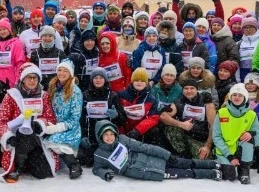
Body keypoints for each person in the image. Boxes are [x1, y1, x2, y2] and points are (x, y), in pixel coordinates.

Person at [92, 120, 220, 182]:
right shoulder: (99, 154)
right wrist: (105, 174)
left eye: (111, 134)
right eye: (105, 135)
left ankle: (213, 164)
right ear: (100, 136)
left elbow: (145, 147)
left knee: (185, 163)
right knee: (186, 173)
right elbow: (97, 168)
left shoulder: (123, 140)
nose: (109, 137)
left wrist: (166, 155)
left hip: (156, 160)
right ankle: (212, 174)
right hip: (146, 172)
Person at [0, 64, 59, 182]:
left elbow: (50, 118)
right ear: (23, 79)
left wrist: (40, 124)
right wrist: (7, 136)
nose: (32, 80)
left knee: (43, 173)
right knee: (25, 134)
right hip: (18, 139)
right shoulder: (11, 96)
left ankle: (27, 161)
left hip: (37, 139)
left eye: (35, 77)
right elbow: (1, 120)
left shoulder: (44, 96)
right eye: (28, 77)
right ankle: (19, 167)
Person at [42, 61, 84, 179]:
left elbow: (75, 118)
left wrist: (57, 128)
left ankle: (74, 165)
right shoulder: (53, 86)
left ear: (70, 74)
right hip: (53, 124)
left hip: (70, 128)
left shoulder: (75, 91)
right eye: (60, 70)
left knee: (53, 141)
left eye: (66, 71)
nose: (62, 73)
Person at [212, 83, 259, 184]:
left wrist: (251, 134)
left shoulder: (252, 115)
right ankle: (224, 164)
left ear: (245, 98)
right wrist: (229, 156)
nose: (237, 97)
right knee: (230, 176)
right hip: (225, 152)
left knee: (248, 138)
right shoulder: (222, 113)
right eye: (234, 95)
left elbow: (258, 141)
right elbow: (216, 137)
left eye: (240, 95)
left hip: (241, 151)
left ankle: (244, 170)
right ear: (230, 97)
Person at [78, 67, 126, 167]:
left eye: (101, 77)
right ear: (92, 80)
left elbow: (123, 120)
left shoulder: (113, 95)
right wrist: (82, 136)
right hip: (90, 136)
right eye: (95, 78)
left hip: (107, 137)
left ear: (105, 80)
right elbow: (81, 118)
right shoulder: (85, 95)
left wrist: (116, 116)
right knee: (86, 161)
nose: (98, 80)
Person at [160, 79, 216, 160]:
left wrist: (207, 146)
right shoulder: (179, 102)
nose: (189, 91)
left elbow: (213, 126)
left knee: (202, 161)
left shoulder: (207, 103)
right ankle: (182, 153)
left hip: (201, 139)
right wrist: (181, 124)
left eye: (192, 88)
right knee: (169, 126)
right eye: (186, 88)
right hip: (185, 135)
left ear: (197, 90)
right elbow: (163, 116)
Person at [117, 68, 161, 142]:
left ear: (146, 83)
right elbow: (118, 114)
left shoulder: (151, 99)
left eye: (142, 81)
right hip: (123, 129)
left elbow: (153, 118)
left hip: (140, 132)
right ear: (132, 82)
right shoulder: (121, 95)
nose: (139, 83)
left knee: (154, 130)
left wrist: (137, 131)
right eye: (136, 80)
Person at [0, 18, 26, 87]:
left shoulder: (16, 43)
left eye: (4, 29)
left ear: (9, 30)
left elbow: (19, 63)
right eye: (0, 30)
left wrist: (18, 79)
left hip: (10, 79)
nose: (2, 32)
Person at [237, 16, 259, 81]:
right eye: (245, 28)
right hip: (243, 73)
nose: (248, 30)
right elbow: (237, 62)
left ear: (256, 28)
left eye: (251, 27)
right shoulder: (238, 44)